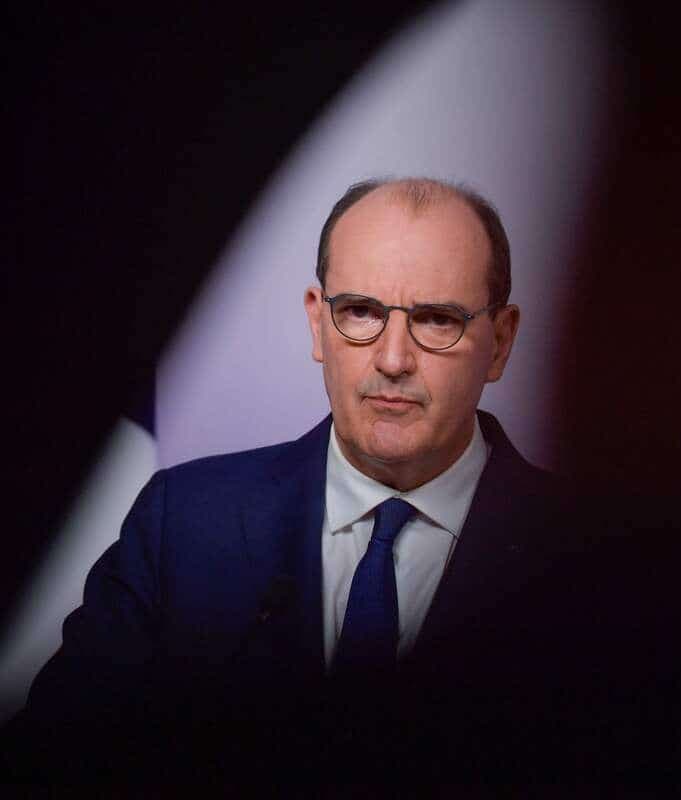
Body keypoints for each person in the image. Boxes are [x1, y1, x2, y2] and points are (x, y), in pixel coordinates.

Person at [4, 178, 579, 782]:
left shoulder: (597, 560)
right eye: (360, 312)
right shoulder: (184, 526)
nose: (392, 359)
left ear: (500, 341)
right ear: (317, 323)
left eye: (437, 320)